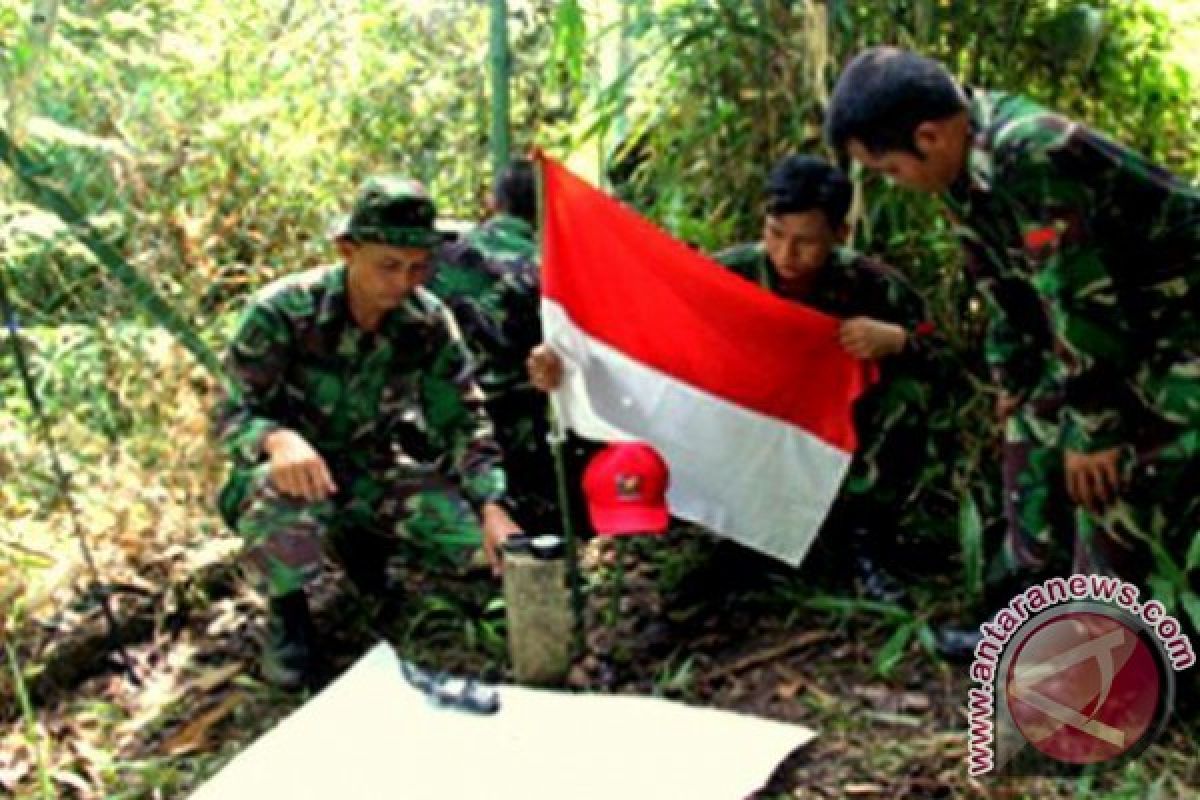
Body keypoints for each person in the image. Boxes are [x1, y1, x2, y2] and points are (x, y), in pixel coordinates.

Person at [826, 47, 1200, 641]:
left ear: (929, 136)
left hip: (1178, 324)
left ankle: (1104, 651)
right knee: (1028, 427)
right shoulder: (958, 162)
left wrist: (1096, 428)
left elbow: (1079, 294)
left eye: (891, 170)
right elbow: (1004, 285)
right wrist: (1014, 380)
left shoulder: (1031, 151)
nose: (895, 184)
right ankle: (1028, 612)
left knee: (1114, 471)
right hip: (1125, 326)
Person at [528, 155, 946, 601]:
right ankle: (736, 538)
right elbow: (648, 336)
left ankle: (866, 543)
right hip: (748, 424)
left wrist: (899, 341)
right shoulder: (730, 277)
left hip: (829, 432)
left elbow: (947, 360)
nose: (786, 255)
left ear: (841, 235)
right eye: (775, 234)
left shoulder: (874, 287)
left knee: (906, 397)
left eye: (806, 242)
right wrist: (565, 358)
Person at [214, 175, 522, 688]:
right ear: (347, 251)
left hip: (374, 472)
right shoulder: (282, 313)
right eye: (389, 266)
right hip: (289, 480)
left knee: (477, 550)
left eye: (418, 267)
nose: (404, 282)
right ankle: (288, 614)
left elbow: (463, 419)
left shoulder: (424, 321)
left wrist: (493, 505)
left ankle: (360, 546)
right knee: (283, 495)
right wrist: (276, 439)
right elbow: (227, 415)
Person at [427, 159, 559, 533]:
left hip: (449, 412)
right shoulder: (548, 264)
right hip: (520, 419)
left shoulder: (440, 257)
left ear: (493, 202)